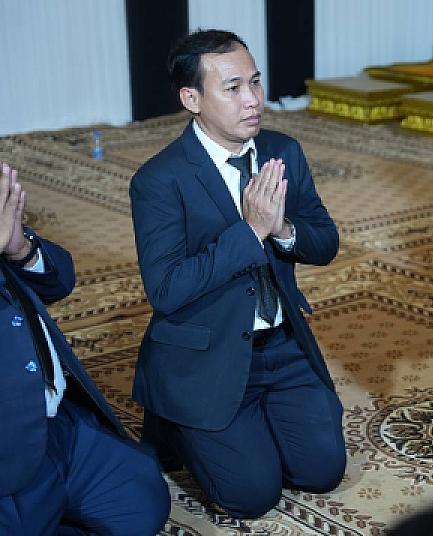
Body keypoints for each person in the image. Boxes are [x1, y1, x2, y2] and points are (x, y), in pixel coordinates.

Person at [129, 29, 345, 518]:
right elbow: (166, 289)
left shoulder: (283, 151)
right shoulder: (159, 180)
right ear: (192, 99)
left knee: (322, 471)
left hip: (282, 345)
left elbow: (325, 243)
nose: (253, 100)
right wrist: (250, 232)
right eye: (232, 88)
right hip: (208, 355)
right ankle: (174, 423)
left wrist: (282, 228)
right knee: (252, 497)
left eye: (255, 82)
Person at [0, 162, 170, 534]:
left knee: (143, 505)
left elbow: (60, 280)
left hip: (58, 425)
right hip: (8, 453)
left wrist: (20, 249)